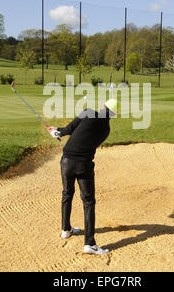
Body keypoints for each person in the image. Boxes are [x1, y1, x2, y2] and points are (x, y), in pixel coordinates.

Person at [48, 99, 118, 255]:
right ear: (113, 115)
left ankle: (66, 230)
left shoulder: (88, 111)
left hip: (66, 161)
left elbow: (69, 129)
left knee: (67, 194)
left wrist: (56, 131)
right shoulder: (106, 129)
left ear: (103, 106)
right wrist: (58, 131)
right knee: (88, 202)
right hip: (83, 165)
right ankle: (89, 244)